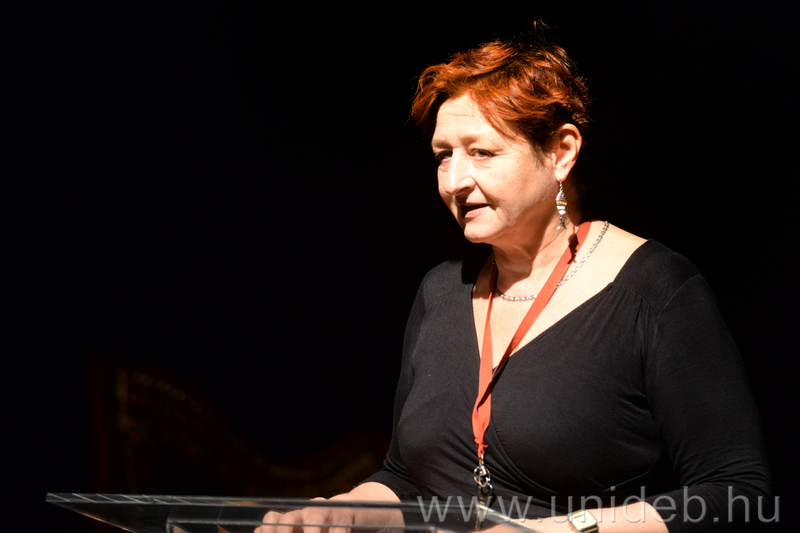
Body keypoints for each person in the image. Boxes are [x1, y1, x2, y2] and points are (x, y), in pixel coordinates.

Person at [258, 26, 771, 533]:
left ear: (561, 153)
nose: (454, 181)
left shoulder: (656, 292)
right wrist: (344, 510)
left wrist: (553, 531)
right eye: (443, 155)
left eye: (481, 152)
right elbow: (408, 480)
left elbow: (736, 496)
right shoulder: (440, 292)